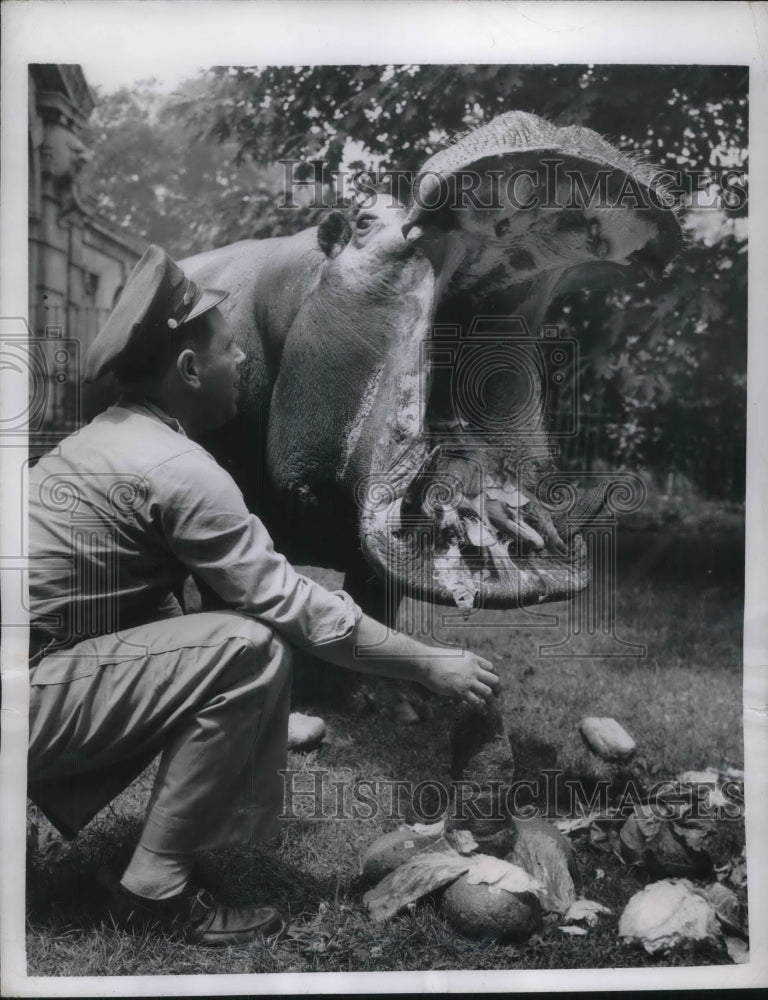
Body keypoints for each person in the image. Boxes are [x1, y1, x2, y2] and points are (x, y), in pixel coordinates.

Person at [27, 245, 500, 948]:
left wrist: (267, 727)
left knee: (199, 634)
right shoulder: (180, 469)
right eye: (229, 349)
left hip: (26, 683)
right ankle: (152, 892)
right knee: (247, 647)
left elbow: (150, 623)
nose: (243, 362)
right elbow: (300, 609)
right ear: (189, 370)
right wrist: (429, 664)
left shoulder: (100, 441)